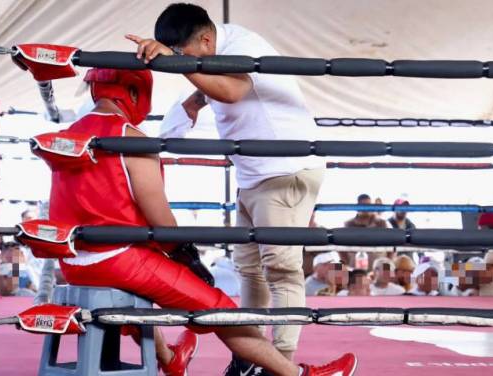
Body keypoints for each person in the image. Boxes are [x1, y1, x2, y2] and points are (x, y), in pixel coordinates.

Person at [48, 67, 353, 376]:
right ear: (136, 92)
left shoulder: (63, 138)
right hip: (119, 260)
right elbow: (163, 226)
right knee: (222, 310)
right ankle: (296, 375)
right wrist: (185, 256)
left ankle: (169, 359)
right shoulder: (133, 142)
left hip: (73, 262)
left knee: (134, 295)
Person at [127, 5, 336, 369]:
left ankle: (281, 362)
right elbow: (214, 84)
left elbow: (233, 90)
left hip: (286, 169)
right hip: (254, 172)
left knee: (281, 266)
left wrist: (187, 72)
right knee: (248, 267)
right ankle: (254, 355)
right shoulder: (213, 50)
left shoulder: (244, 45)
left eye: (180, 56)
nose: (177, 63)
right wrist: (193, 102)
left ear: (206, 40)